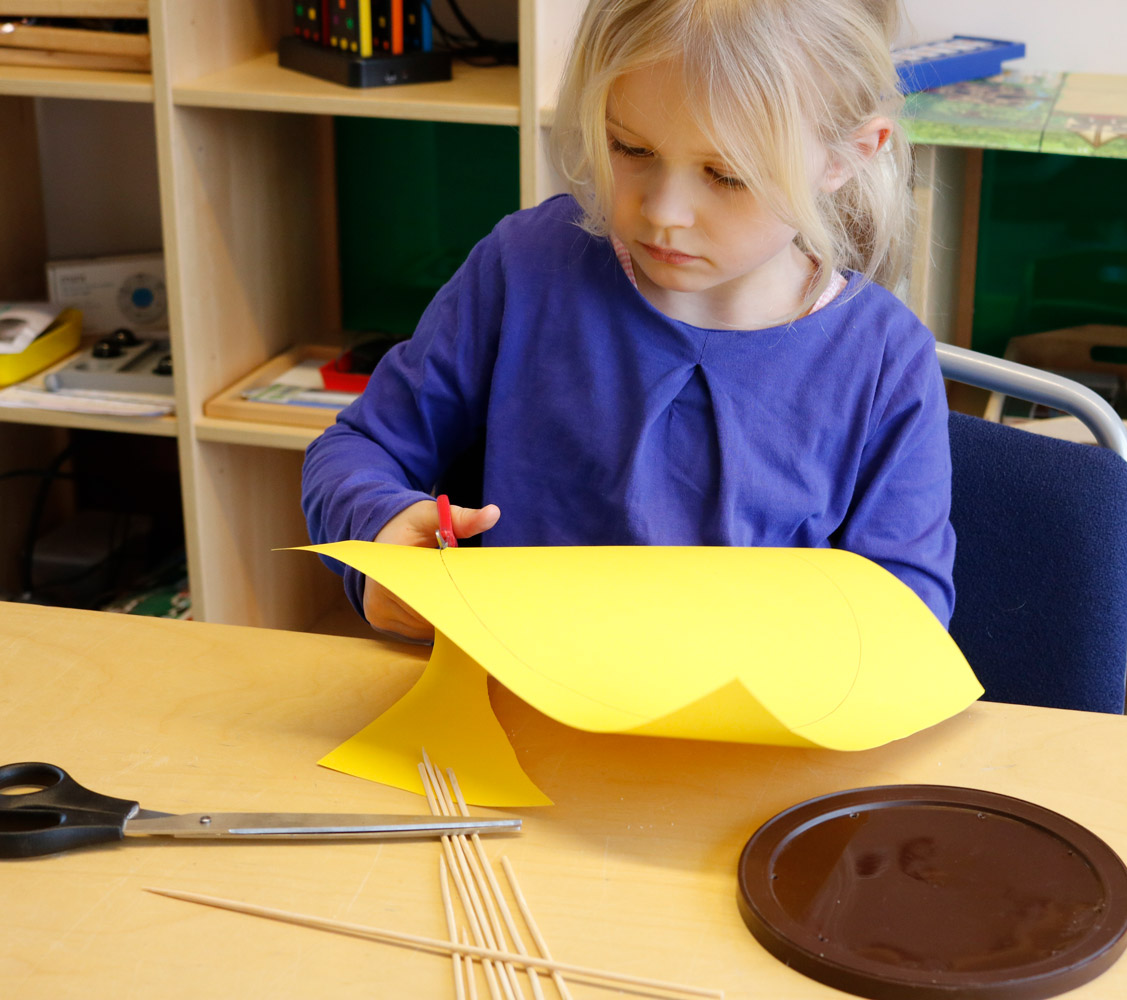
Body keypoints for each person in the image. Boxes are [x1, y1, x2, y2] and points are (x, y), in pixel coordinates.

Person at [302, 0, 955, 642]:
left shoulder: (885, 359)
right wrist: (381, 533)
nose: (664, 211)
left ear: (845, 156)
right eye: (630, 147)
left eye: (726, 176)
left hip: (752, 740)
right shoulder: (524, 267)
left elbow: (908, 610)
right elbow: (358, 449)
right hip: (519, 718)